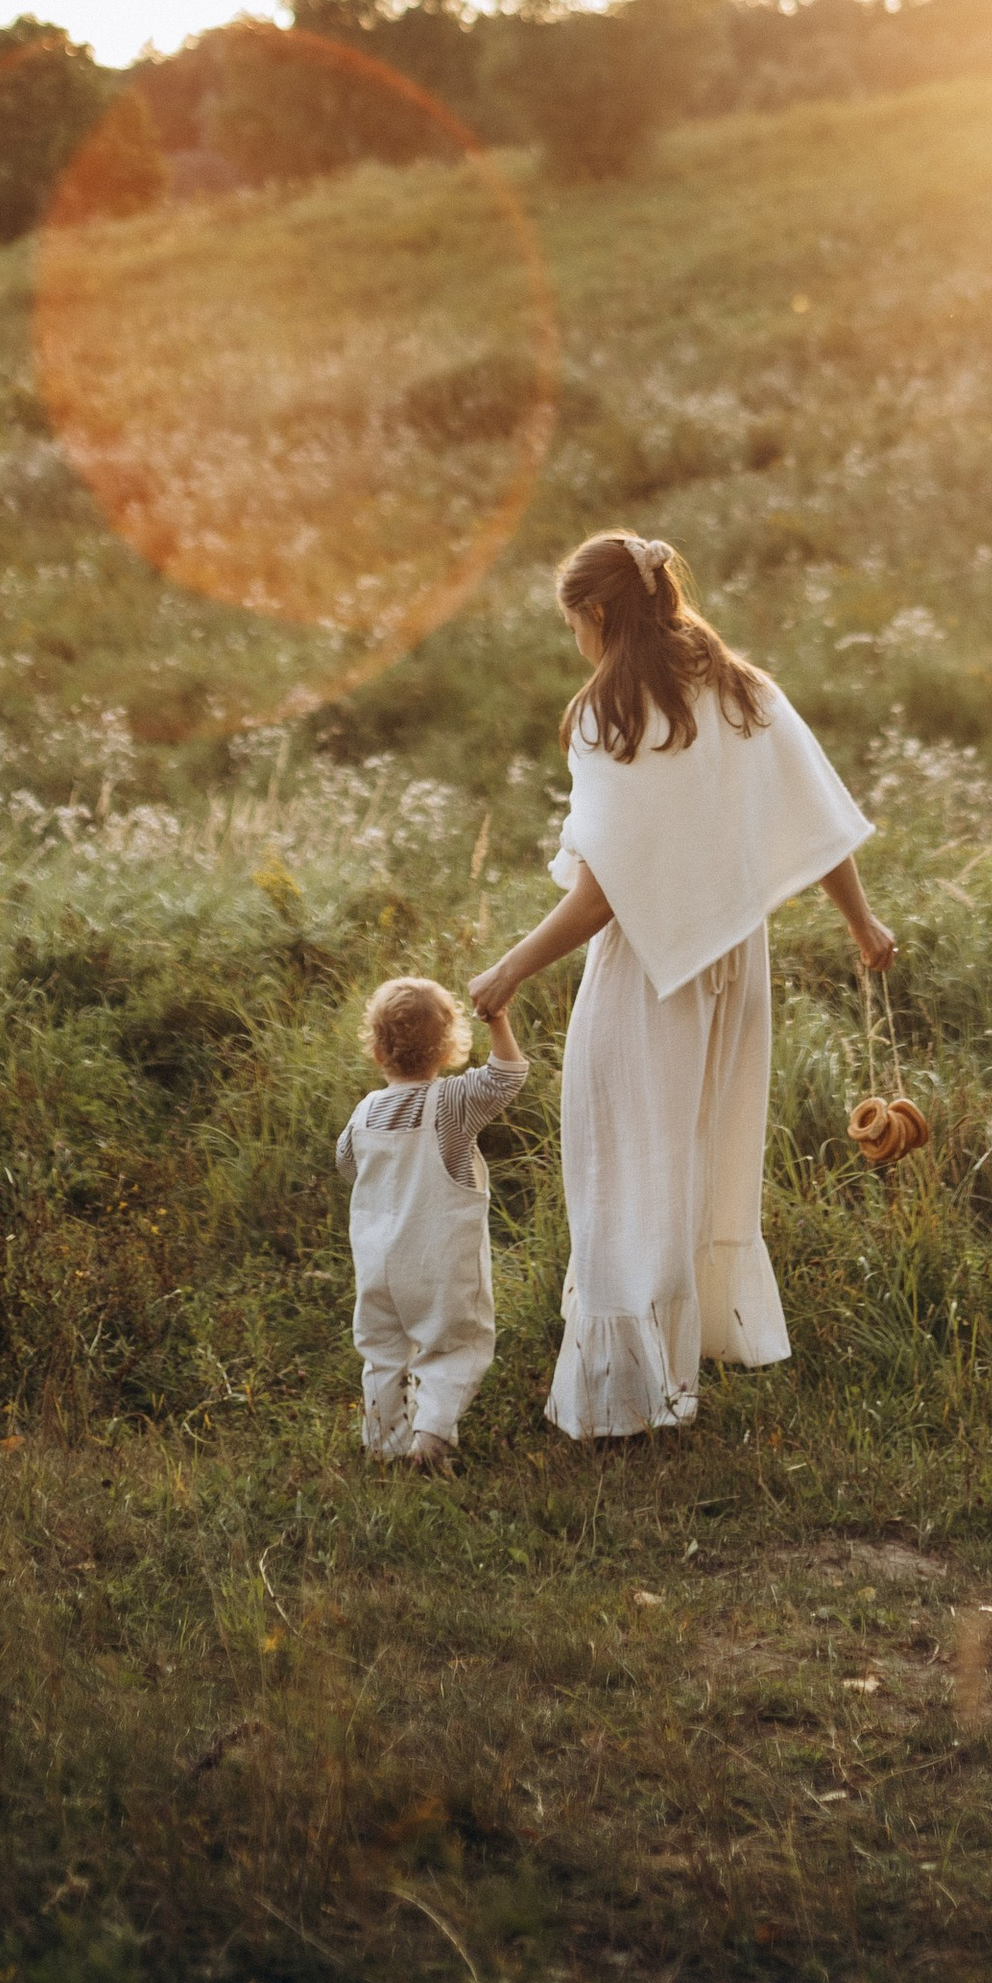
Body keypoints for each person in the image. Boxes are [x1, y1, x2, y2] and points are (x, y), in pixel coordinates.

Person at [469, 529, 894, 1442]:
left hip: (651, 970)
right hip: (735, 962)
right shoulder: (743, 688)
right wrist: (862, 924)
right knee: (697, 1151)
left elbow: (600, 899)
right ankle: (678, 1362)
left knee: (621, 1158)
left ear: (595, 614)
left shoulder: (606, 717)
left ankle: (629, 1394)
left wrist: (508, 972)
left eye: (572, 623)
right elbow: (816, 817)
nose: (573, 640)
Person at [335, 972, 527, 1469]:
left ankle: (384, 1444)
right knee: (456, 1343)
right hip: (437, 1259)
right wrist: (499, 1020)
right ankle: (431, 1439)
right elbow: (507, 1074)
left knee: (382, 1351)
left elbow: (347, 1165)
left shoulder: (364, 1112)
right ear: (448, 1050)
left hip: (378, 1262)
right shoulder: (452, 1104)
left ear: (377, 1051)